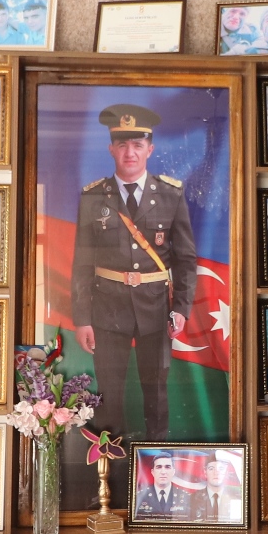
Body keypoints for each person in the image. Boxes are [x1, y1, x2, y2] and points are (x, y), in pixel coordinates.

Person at [71, 104, 197, 439]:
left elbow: (185, 259)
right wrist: (82, 318)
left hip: (156, 309)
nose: (130, 153)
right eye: (122, 144)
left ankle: (155, 459)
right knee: (109, 392)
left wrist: (181, 308)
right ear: (111, 148)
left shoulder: (170, 194)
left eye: (137, 145)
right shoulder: (93, 197)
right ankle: (110, 462)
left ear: (150, 149)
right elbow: (82, 263)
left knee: (156, 391)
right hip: (107, 309)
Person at [136, 453, 189, 519]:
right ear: (152, 472)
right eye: (159, 467)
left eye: (167, 467)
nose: (163, 472)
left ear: (173, 472)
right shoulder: (140, 496)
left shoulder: (186, 497)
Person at [191, 456, 240, 523]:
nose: (216, 473)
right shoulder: (193, 498)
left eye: (221, 468)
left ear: (226, 473)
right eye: (211, 469)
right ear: (205, 472)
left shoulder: (236, 497)